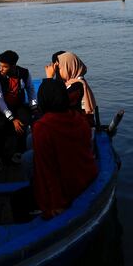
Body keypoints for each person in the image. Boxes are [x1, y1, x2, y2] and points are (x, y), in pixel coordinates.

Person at [30, 78, 98, 219]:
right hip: (87, 179)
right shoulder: (80, 119)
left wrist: (56, 204)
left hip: (65, 191)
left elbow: (47, 169)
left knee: (27, 159)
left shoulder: (42, 127)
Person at [0, 50, 37, 172]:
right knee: (0, 125)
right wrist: (12, 119)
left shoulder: (24, 73)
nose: (1, 69)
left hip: (17, 105)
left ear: (14, 66)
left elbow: (30, 90)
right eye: (0, 65)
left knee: (24, 120)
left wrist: (34, 106)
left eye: (5, 66)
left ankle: (19, 151)